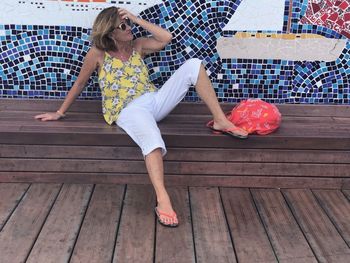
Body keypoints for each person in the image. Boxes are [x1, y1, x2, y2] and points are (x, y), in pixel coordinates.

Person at [35, 7, 248, 228]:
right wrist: (59, 112)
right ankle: (162, 198)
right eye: (123, 26)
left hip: (153, 100)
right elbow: (79, 83)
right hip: (127, 109)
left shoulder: (137, 46)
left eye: (129, 24)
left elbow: (166, 38)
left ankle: (221, 120)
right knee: (153, 140)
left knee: (194, 65)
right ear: (109, 32)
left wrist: (136, 19)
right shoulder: (98, 54)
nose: (130, 29)